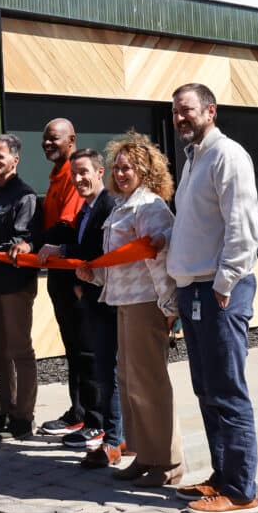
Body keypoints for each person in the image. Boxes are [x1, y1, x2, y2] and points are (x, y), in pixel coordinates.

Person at [167, 83, 258, 513]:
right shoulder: (191, 162)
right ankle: (221, 477)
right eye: (175, 112)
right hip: (194, 291)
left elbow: (242, 228)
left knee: (227, 390)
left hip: (219, 289)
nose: (180, 118)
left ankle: (241, 491)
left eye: (186, 110)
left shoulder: (228, 156)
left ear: (210, 110)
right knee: (206, 389)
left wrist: (224, 283)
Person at [79, 132, 181, 486]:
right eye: (119, 167)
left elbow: (160, 258)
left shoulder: (150, 206)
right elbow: (120, 264)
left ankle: (168, 463)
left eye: (130, 168)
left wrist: (169, 307)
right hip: (123, 301)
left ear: (146, 170)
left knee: (149, 383)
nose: (121, 173)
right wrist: (92, 275)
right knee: (130, 382)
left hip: (145, 303)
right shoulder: (123, 205)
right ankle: (144, 454)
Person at [38, 149, 121, 465]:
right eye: (74, 174)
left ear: (100, 172)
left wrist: (63, 249)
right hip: (90, 295)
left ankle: (106, 433)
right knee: (95, 364)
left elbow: (100, 250)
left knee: (105, 369)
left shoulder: (108, 205)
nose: (78, 179)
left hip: (106, 300)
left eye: (84, 172)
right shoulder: (87, 210)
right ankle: (106, 430)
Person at [0, 135, 40, 441]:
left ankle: (24, 417)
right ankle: (5, 409)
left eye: (1, 156)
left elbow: (21, 239)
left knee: (20, 351)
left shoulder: (24, 196)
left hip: (16, 284)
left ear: (15, 160)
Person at [35, 119, 87, 436]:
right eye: (45, 138)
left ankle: (86, 414)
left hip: (74, 276)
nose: (47, 143)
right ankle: (79, 410)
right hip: (58, 274)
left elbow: (66, 226)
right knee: (72, 346)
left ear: (72, 139)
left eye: (53, 138)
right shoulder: (56, 176)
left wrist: (34, 243)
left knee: (83, 346)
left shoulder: (73, 174)